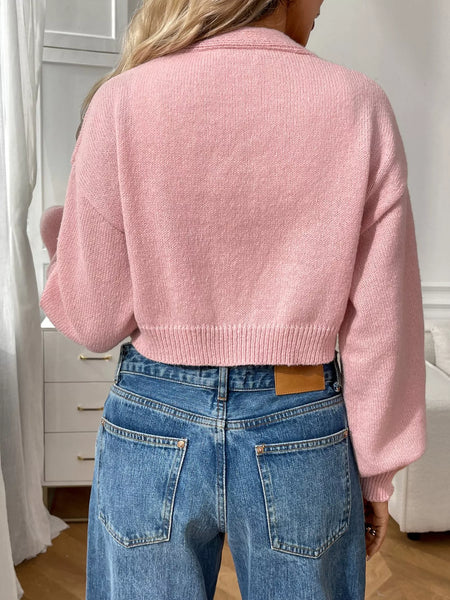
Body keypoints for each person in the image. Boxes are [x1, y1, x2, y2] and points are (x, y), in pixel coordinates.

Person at [39, 0, 427, 598]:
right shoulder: (358, 104)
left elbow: (92, 318)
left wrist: (59, 233)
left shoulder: (121, 101)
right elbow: (383, 321)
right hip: (300, 420)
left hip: (152, 420)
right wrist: (376, 473)